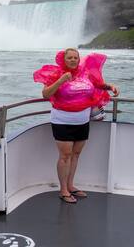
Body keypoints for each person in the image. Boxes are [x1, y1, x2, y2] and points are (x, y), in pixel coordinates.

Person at [34, 48, 119, 203]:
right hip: (62, 121)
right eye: (70, 58)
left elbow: (97, 84)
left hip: (82, 121)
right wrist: (61, 81)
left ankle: (71, 185)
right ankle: (63, 190)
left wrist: (109, 87)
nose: (73, 60)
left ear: (79, 59)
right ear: (63, 60)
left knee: (76, 154)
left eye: (75, 57)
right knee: (65, 156)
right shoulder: (56, 74)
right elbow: (46, 94)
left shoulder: (84, 73)